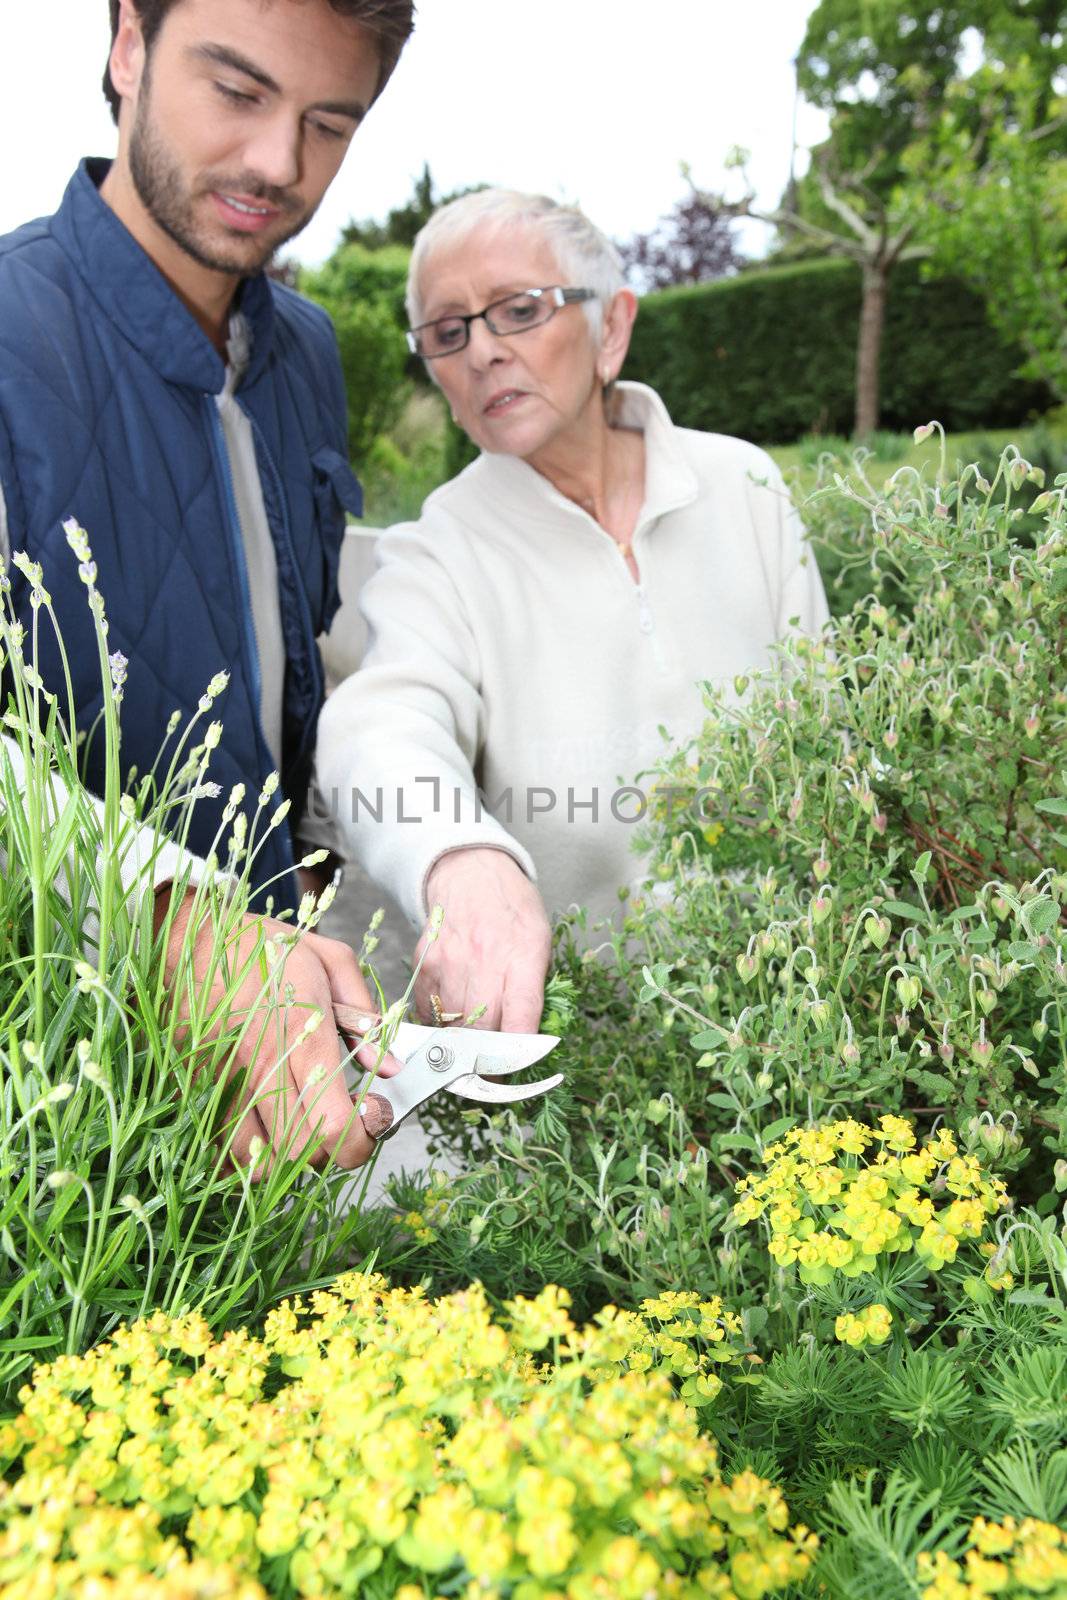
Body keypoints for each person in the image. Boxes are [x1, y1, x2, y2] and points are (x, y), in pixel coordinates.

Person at [0, 0, 415, 1170]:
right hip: (54, 1106)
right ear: (125, 45)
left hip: (281, 1072)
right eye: (237, 92)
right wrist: (171, 924)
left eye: (330, 123)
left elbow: (311, 660)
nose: (280, 165)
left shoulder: (310, 352)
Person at [314, 188, 831, 1034]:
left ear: (612, 328)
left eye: (519, 310)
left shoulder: (745, 487)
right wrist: (457, 857)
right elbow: (382, 727)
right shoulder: (435, 554)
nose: (481, 351)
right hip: (588, 1084)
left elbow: (829, 736)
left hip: (801, 1026)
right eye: (447, 332)